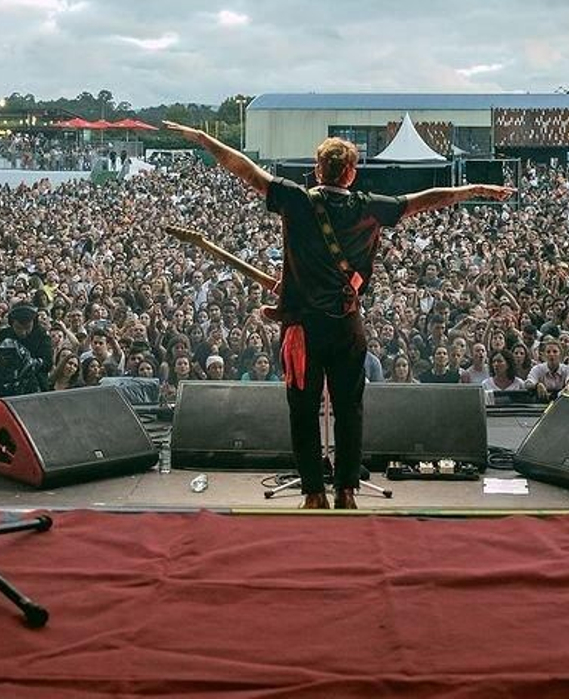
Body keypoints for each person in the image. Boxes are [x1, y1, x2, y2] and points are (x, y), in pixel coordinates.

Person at [164, 122, 512, 510]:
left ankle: (314, 492)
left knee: (302, 410)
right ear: (351, 172)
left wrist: (203, 139)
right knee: (350, 409)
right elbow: (426, 198)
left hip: (302, 331)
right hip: (347, 327)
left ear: (316, 168)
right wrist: (476, 190)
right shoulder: (369, 207)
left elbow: (245, 168)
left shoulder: (294, 199)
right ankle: (346, 490)